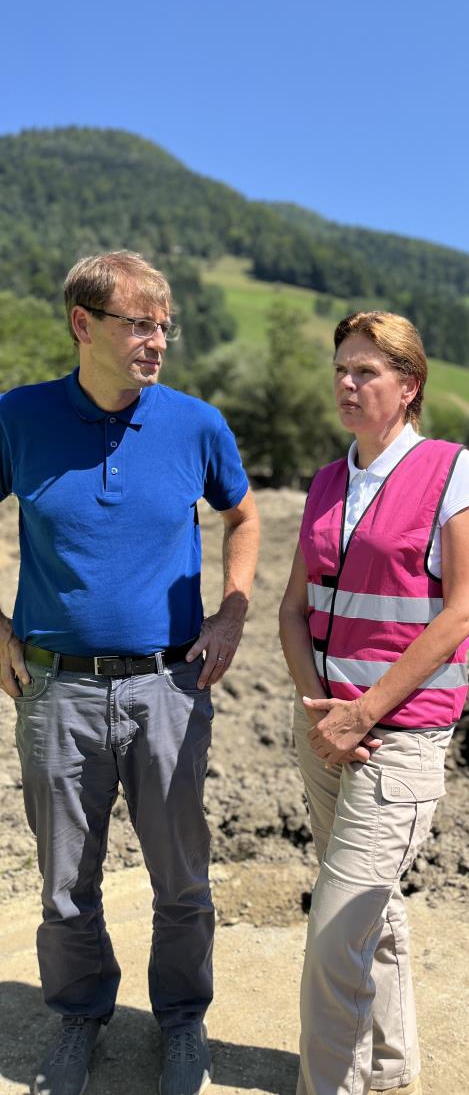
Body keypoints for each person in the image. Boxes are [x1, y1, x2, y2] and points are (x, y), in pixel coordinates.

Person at [0, 251, 260, 1095]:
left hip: (167, 691)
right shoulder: (19, 417)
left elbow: (244, 515)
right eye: (139, 324)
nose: (157, 342)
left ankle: (182, 1023)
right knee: (64, 882)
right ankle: (80, 1016)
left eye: (163, 326)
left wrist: (231, 612)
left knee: (181, 879)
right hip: (55, 690)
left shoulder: (196, 424)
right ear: (84, 324)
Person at [278, 310, 469, 1095]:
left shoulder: (449, 471)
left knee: (336, 931)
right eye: (340, 367)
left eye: (365, 370)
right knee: (370, 908)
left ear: (408, 386)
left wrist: (361, 713)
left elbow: (460, 614)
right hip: (324, 730)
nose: (346, 382)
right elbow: (292, 609)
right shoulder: (327, 481)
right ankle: (391, 1069)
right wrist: (317, 709)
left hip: (394, 739)